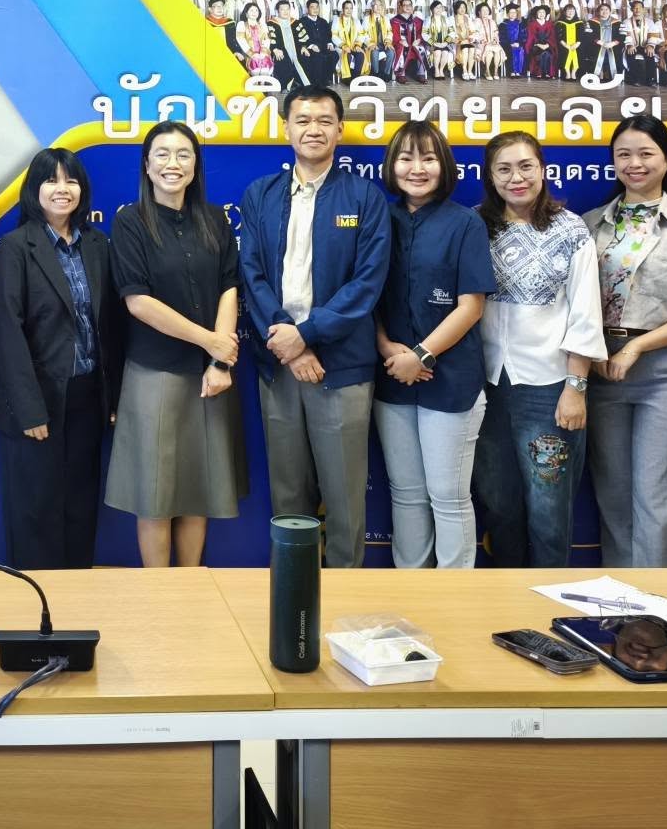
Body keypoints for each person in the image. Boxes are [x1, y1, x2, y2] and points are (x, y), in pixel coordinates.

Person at [237, 87, 390, 568]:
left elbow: (366, 284)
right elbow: (252, 274)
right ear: (286, 128)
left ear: (340, 130)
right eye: (303, 120)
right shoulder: (260, 194)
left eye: (324, 121)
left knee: (345, 497)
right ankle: (293, 592)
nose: (313, 130)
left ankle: (344, 594)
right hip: (279, 364)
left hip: (340, 368)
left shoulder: (365, 197)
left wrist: (307, 335)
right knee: (288, 496)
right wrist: (289, 341)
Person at [582, 117, 667, 567]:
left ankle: (662, 597)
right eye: (623, 154)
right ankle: (622, 597)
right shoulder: (591, 224)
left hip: (666, 372)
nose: (634, 163)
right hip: (601, 370)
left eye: (646, 153)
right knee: (614, 494)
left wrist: (638, 347)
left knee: (660, 495)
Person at [105, 121, 244, 567]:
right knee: (156, 493)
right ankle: (158, 593)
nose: (173, 163)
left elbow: (229, 286)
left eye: (183, 154)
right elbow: (138, 302)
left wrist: (220, 363)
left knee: (198, 488)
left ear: (195, 165)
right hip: (155, 372)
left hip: (211, 377)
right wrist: (212, 343)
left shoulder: (215, 219)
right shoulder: (130, 222)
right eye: (162, 154)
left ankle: (190, 587)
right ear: (147, 166)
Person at [474, 131, 606, 568]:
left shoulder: (571, 230)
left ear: (543, 169)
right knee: (498, 505)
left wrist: (576, 388)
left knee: (549, 511)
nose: (517, 178)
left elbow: (586, 314)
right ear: (490, 176)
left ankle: (547, 600)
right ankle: (506, 599)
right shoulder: (475, 226)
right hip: (487, 387)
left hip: (549, 389)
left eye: (526, 166)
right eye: (504, 169)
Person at [0, 147, 123, 570]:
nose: (62, 189)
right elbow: (8, 331)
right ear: (35, 189)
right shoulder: (16, 246)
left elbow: (111, 325)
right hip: (39, 399)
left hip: (87, 396)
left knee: (81, 506)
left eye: (71, 181)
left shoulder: (97, 245)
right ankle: (37, 600)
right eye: (51, 180)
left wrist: (113, 397)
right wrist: (30, 408)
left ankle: (76, 594)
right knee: (36, 509)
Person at [373, 122, 493, 569]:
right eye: (406, 158)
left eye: (428, 158)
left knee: (448, 495)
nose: (417, 168)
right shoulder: (379, 219)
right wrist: (388, 349)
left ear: (444, 166)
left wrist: (420, 355)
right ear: (392, 165)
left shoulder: (465, 223)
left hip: (451, 381)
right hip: (392, 377)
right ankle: (412, 589)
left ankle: (453, 594)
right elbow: (365, 297)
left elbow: (471, 306)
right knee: (406, 495)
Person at [499, 3, 527, 79]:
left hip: (518, 44)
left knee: (520, 49)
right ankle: (512, 71)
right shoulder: (503, 24)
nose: (513, 14)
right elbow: (502, 37)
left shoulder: (520, 24)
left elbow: (523, 35)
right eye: (511, 12)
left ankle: (518, 71)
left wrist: (519, 43)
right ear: (507, 14)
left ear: (516, 14)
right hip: (507, 45)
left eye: (514, 12)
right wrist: (510, 44)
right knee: (511, 50)